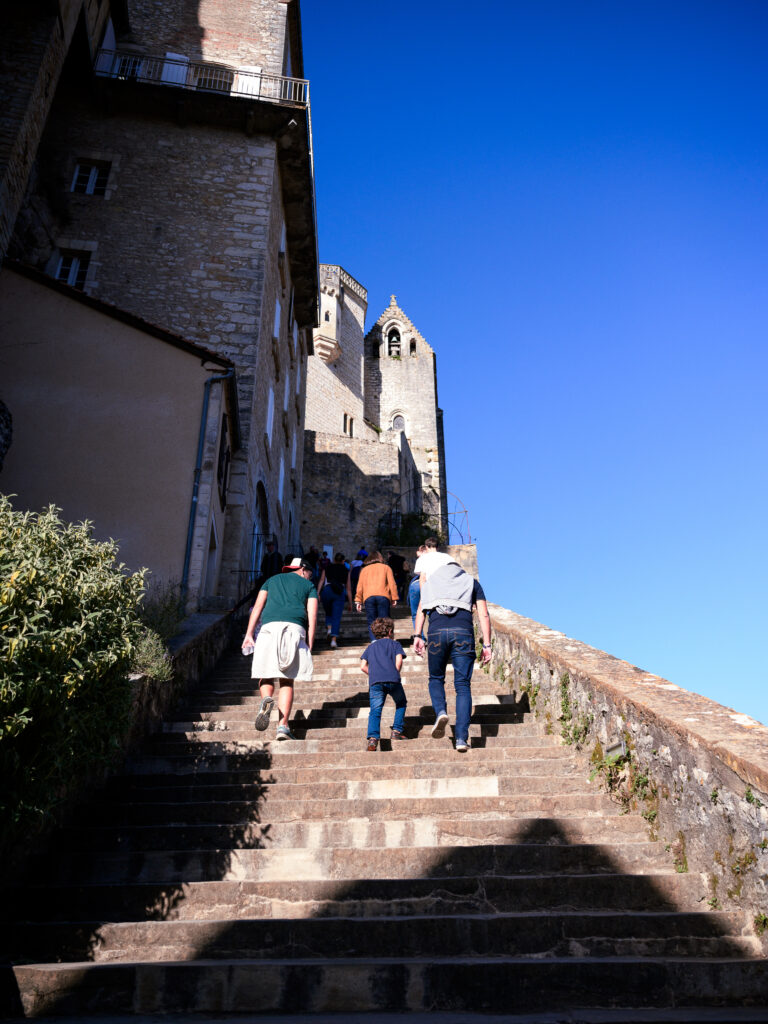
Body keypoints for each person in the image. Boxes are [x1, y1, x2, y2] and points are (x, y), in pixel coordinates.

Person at [413, 561, 492, 753]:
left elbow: (421, 611)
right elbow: (484, 614)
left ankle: (440, 711)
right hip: (463, 632)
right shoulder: (471, 582)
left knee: (436, 678)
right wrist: (487, 645)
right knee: (463, 686)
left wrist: (417, 636)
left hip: (436, 632)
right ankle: (461, 739)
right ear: (459, 570)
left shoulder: (431, 583)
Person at [241, 557, 317, 741]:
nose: (310, 577)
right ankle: (283, 726)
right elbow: (312, 615)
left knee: (266, 674)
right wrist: (310, 641)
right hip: (294, 628)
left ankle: (266, 699)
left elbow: (258, 607)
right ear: (303, 569)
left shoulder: (271, 580)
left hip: (268, 628)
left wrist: (249, 634)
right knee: (287, 680)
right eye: (310, 574)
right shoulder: (309, 587)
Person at [360, 617, 408, 751]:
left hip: (376, 682)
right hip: (393, 679)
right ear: (390, 631)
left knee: (375, 710)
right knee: (401, 703)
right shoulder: (396, 644)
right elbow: (399, 662)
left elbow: (363, 666)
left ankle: (373, 738)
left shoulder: (370, 647)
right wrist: (393, 672)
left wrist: (375, 673)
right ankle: (396, 731)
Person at [355, 551, 398, 641]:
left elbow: (360, 586)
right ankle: (385, 640)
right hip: (383, 596)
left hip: (368, 597)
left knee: (371, 621)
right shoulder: (386, 568)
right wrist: (394, 597)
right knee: (384, 621)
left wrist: (358, 600)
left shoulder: (364, 570)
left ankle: (374, 641)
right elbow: (392, 584)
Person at [317, 552, 353, 649]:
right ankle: (333, 641)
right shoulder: (346, 570)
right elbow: (348, 588)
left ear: (334, 559)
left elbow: (321, 580)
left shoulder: (328, 567)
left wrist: (317, 593)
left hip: (327, 590)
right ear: (343, 561)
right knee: (336, 617)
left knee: (328, 612)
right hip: (339, 592)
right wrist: (350, 602)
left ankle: (329, 628)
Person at [408, 545, 427, 633]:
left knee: (415, 613)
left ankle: (420, 636)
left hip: (417, 584)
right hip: (428, 584)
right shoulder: (436, 559)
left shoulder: (421, 559)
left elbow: (417, 572)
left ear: (422, 551)